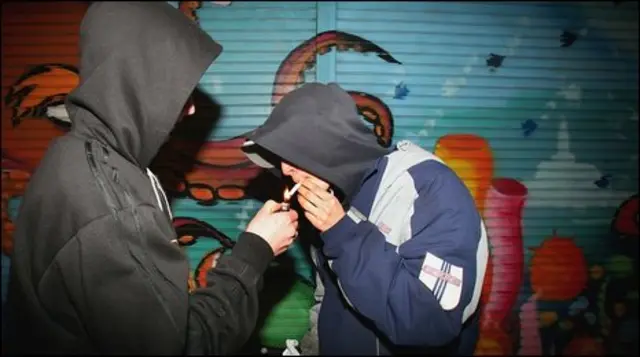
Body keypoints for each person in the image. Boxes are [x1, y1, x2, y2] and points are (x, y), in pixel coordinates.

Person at [2, 2, 299, 355]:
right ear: (138, 83)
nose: (190, 108)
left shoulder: (74, 155)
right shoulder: (114, 208)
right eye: (177, 89)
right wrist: (256, 250)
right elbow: (188, 345)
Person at [241, 83, 489, 355]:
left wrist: (343, 233)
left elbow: (430, 320)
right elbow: (330, 297)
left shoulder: (430, 189)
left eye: (292, 153)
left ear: (329, 143)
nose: (284, 168)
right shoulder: (331, 197)